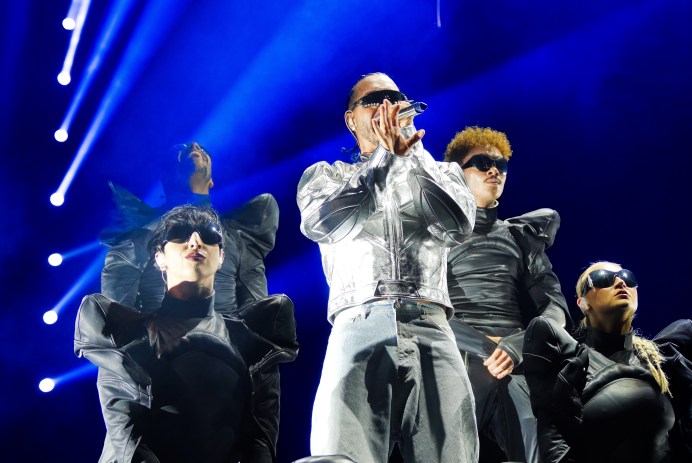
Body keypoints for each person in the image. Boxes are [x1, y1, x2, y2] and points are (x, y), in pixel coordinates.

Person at [297, 72, 479, 463]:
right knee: (341, 456)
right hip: (358, 323)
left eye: (396, 97)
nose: (388, 105)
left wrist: (411, 156)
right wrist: (385, 158)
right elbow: (322, 224)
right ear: (351, 119)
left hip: (432, 325)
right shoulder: (326, 175)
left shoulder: (443, 172)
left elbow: (458, 226)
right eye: (375, 98)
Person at [98, 143, 291, 462]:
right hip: (155, 377)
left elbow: (258, 339)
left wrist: (259, 445)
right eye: (179, 150)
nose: (193, 147)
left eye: (201, 148)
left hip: (221, 389)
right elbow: (114, 336)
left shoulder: (236, 239)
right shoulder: (136, 239)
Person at [443, 126, 572, 463]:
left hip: (514, 360)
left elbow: (555, 307)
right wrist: (481, 343)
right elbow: (419, 305)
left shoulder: (519, 236)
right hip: (454, 354)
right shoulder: (433, 234)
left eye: (500, 165)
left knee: (543, 450)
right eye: (482, 163)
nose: (494, 170)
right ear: (456, 173)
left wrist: (519, 344)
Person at [523, 261, 692, 463]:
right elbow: (554, 441)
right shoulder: (568, 361)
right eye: (603, 279)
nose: (621, 282)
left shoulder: (662, 362)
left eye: (628, 277)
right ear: (583, 303)